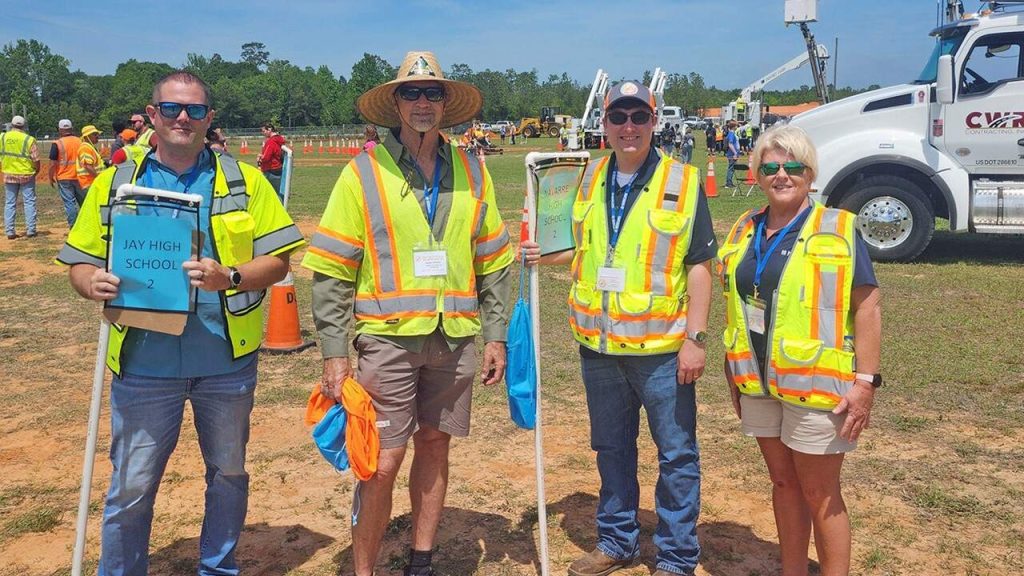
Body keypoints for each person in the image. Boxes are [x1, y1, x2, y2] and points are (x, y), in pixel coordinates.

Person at [56, 70, 305, 575]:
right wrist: (92, 283)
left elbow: (279, 262)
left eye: (193, 110)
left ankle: (217, 567)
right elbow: (80, 262)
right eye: (171, 109)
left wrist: (229, 276)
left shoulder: (244, 181)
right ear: (152, 116)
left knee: (229, 475)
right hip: (143, 366)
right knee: (131, 485)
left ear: (209, 118)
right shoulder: (117, 182)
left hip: (224, 364)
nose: (182, 118)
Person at [302, 50, 513, 576]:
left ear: (446, 104)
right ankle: (365, 568)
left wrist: (496, 335)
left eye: (433, 93)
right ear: (395, 103)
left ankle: (422, 558)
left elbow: (494, 260)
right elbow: (331, 270)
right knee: (381, 462)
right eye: (412, 93)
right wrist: (334, 353)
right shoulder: (362, 173)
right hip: (388, 341)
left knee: (436, 446)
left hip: (456, 339)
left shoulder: (471, 170)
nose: (423, 103)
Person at [523, 81, 717, 576]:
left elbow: (699, 265)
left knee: (676, 455)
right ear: (603, 124)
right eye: (618, 118)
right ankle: (618, 541)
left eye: (638, 117)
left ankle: (676, 558)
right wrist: (540, 254)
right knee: (610, 447)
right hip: (600, 347)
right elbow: (582, 250)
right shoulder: (585, 179)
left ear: (654, 122)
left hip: (662, 350)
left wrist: (695, 340)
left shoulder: (684, 181)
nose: (628, 127)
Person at [718, 125, 881, 576]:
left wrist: (865, 382)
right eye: (770, 167)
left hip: (818, 386)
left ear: (810, 173)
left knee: (821, 494)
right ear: (756, 174)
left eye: (793, 166)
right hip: (758, 383)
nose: (781, 175)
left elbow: (867, 306)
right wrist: (732, 371)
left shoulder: (838, 227)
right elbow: (737, 306)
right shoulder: (744, 228)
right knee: (783, 482)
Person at [2, 115, 40, 240]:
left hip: (8, 173)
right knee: (29, 202)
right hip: (26, 174)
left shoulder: (2, 137)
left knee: (10, 203)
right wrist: (36, 170)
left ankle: (10, 231)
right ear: (23, 126)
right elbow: (35, 159)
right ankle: (31, 230)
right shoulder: (28, 139)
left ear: (11, 125)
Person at [49, 118, 83, 227]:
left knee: (70, 203)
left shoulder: (57, 143)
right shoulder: (80, 141)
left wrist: (50, 177)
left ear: (59, 130)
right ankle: (85, 224)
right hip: (80, 176)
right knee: (83, 202)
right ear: (71, 129)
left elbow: (53, 163)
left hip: (64, 177)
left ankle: (73, 226)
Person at [256, 122, 286, 200]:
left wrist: (260, 157)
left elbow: (266, 158)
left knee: (265, 192)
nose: (263, 133)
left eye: (264, 131)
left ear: (269, 130)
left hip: (271, 169)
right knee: (277, 191)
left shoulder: (271, 142)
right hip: (278, 168)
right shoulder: (279, 140)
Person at [75, 125, 103, 195]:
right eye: (94, 134)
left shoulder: (90, 147)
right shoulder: (85, 148)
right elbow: (88, 166)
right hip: (89, 182)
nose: (97, 136)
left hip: (91, 182)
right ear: (86, 137)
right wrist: (98, 178)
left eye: (97, 134)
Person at [725, 120, 740, 188]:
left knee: (732, 168)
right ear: (733, 126)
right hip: (732, 154)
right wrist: (735, 153)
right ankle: (728, 183)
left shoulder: (732, 133)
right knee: (731, 168)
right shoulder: (731, 134)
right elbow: (730, 144)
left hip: (732, 153)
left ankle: (730, 181)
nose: (737, 126)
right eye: (736, 125)